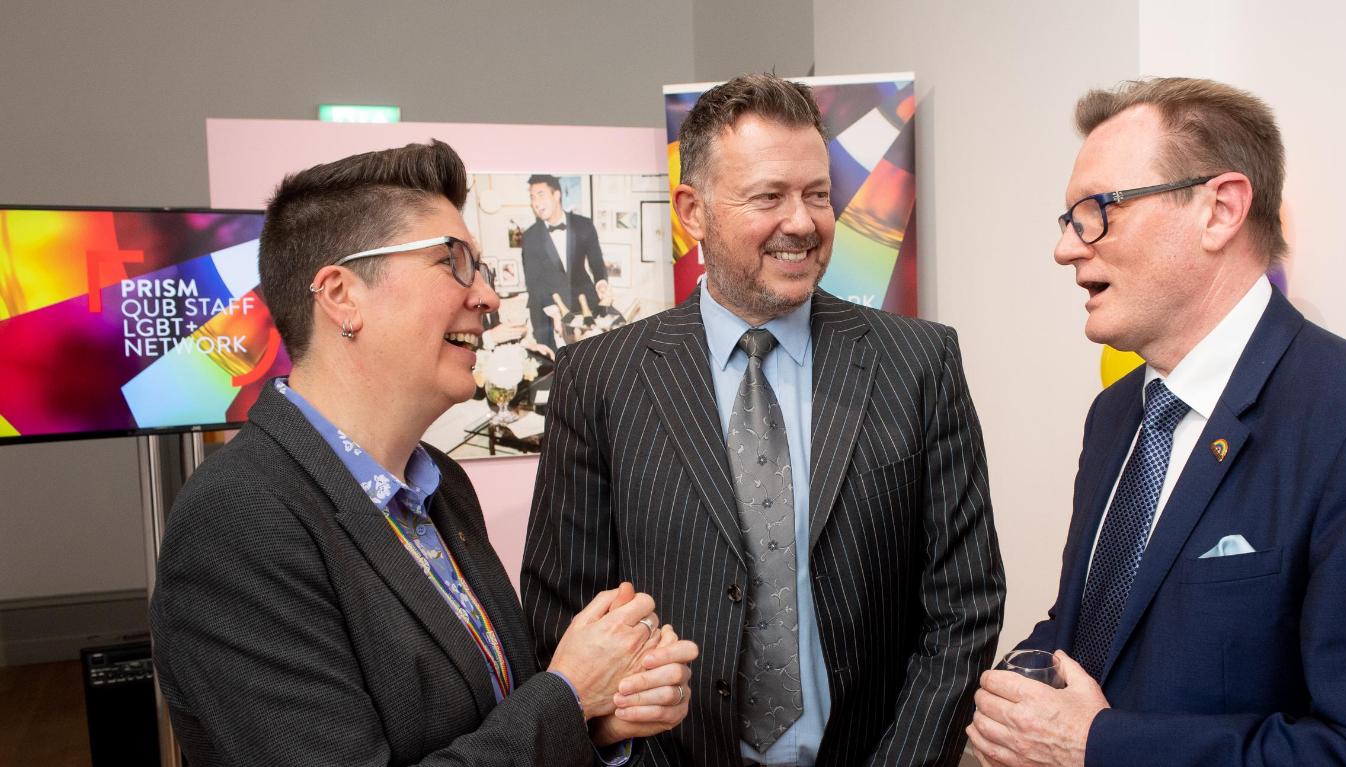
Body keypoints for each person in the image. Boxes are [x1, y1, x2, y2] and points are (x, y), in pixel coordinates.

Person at [966, 78, 1346, 767]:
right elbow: (1096, 623)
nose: (1067, 248)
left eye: (1096, 211)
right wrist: (1018, 692)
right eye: (1067, 219)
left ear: (1221, 210)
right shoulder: (1116, 415)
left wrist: (1097, 747)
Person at [147, 141, 699, 765]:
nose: (488, 297)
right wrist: (568, 698)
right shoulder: (238, 521)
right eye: (453, 262)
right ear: (341, 295)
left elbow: (492, 718)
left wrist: (596, 725)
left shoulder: (442, 485)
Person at [523, 74, 1005, 767]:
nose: (802, 222)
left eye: (818, 194)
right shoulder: (600, 379)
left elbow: (965, 603)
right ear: (693, 211)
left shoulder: (917, 363)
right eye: (768, 196)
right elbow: (563, 616)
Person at [520, 173, 609, 349]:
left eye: (540, 195)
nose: (536, 203)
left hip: (583, 301)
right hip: (546, 309)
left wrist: (601, 282)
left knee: (595, 352)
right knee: (552, 360)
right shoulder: (530, 236)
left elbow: (596, 261)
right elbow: (533, 282)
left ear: (556, 194)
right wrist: (554, 312)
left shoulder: (584, 224)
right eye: (532, 197)